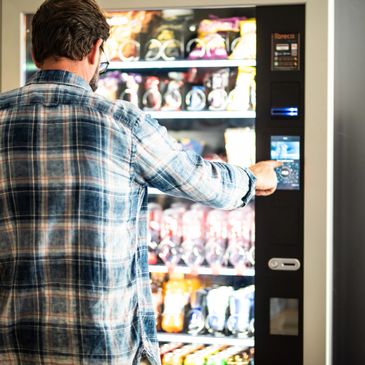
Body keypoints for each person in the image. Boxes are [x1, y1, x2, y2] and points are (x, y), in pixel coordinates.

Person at [0, 0, 280, 364]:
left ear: (35, 52)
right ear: (95, 49)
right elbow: (199, 180)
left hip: (12, 342)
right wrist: (251, 177)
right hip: (101, 344)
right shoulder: (121, 123)